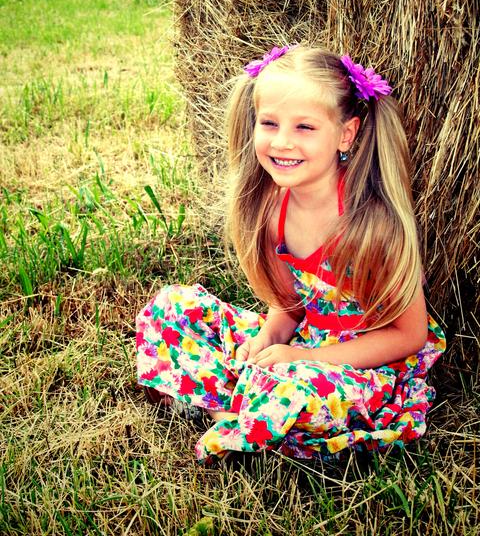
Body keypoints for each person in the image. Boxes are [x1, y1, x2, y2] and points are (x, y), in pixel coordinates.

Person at [136, 44, 446, 463]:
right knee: (172, 307)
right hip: (303, 344)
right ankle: (244, 412)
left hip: (364, 368)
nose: (282, 142)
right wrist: (266, 340)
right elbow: (290, 305)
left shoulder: (372, 225)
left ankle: (230, 407)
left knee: (294, 390)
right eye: (269, 123)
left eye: (304, 127)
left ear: (346, 134)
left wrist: (306, 358)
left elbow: (409, 335)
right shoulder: (272, 210)